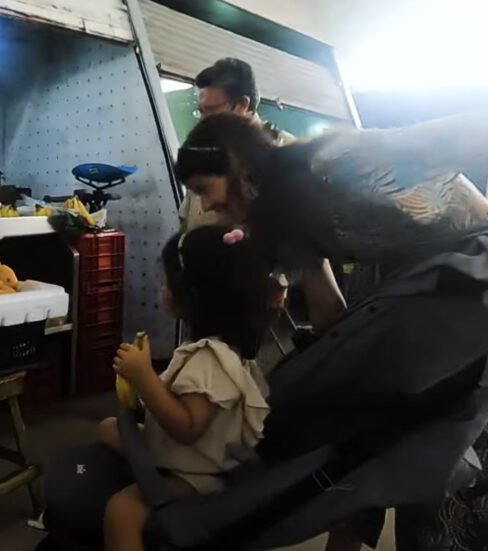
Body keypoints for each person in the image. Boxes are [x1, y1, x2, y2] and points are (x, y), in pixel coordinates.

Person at [175, 112, 488, 551]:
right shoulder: (285, 221)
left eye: (203, 189)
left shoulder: (334, 163)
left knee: (431, 464)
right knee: (355, 432)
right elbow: (328, 313)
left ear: (241, 170)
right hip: (403, 282)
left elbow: (461, 134)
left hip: (469, 278)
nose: (205, 205)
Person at [95, 225, 281, 551]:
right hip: (191, 450)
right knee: (108, 429)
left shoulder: (210, 360)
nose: (161, 289)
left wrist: (144, 378)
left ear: (193, 295)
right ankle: (148, 459)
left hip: (200, 472)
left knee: (121, 512)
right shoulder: (217, 348)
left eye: (165, 283)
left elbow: (187, 427)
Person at [181, 58, 293, 233]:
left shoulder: (288, 156)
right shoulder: (204, 154)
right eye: (201, 112)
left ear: (242, 105)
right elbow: (187, 224)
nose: (203, 122)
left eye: (211, 112)